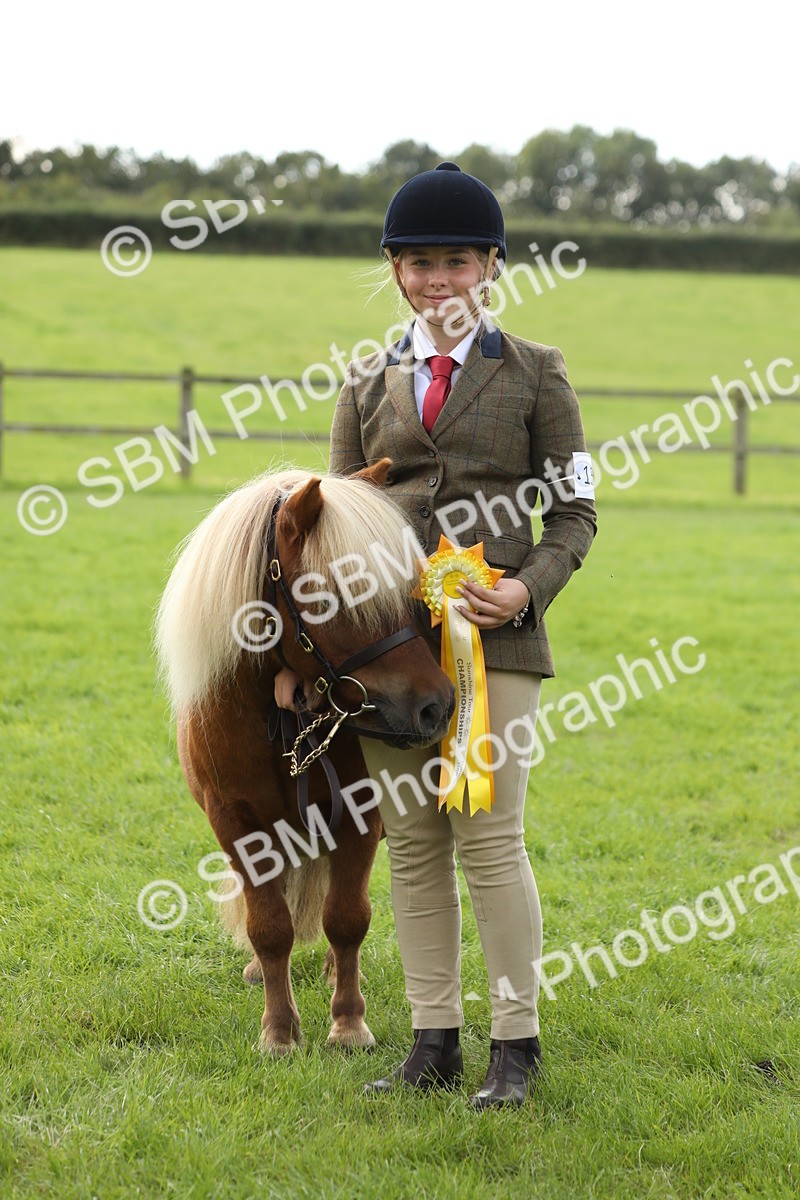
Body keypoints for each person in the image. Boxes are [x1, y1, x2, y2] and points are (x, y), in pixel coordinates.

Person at [274, 161, 597, 1109]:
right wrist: (305, 661)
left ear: (491, 265)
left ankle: (516, 1048)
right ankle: (432, 1043)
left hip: (496, 642)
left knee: (491, 842)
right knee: (410, 844)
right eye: (418, 263)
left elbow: (575, 514)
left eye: (457, 260)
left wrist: (526, 591)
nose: (437, 279)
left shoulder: (537, 370)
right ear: (395, 269)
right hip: (384, 654)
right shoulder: (365, 376)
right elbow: (324, 525)